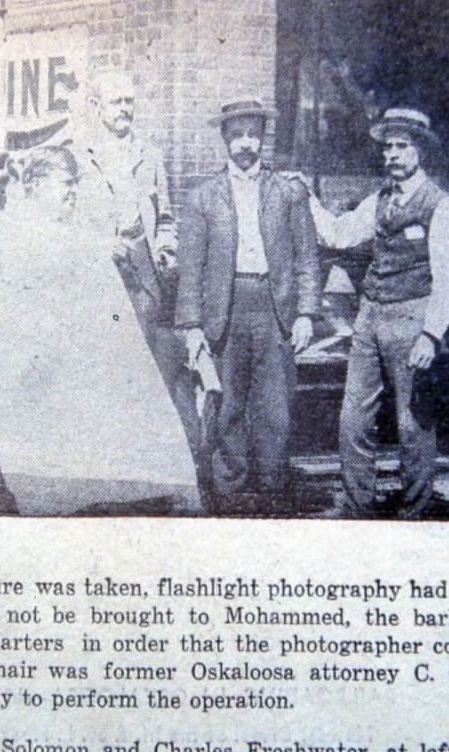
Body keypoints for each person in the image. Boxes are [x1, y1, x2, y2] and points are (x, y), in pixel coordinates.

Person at [0, 146, 201, 515]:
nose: (73, 193)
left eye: (76, 184)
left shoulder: (76, 239)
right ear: (35, 185)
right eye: (66, 183)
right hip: (19, 382)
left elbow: (108, 322)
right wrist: (11, 353)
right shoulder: (1, 237)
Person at [304, 107, 449, 518]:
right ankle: (358, 504)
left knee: (413, 423)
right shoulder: (379, 200)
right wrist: (306, 196)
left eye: (402, 146)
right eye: (388, 146)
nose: (392, 154)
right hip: (370, 316)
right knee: (353, 417)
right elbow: (338, 235)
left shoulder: (441, 205)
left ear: (420, 151)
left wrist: (431, 334)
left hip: (413, 318)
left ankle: (415, 507)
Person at [175, 99, 322, 515]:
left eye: (253, 134)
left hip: (274, 310)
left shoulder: (288, 192)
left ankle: (274, 490)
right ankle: (231, 492)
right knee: (229, 404)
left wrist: (307, 313)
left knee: (275, 406)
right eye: (237, 134)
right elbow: (192, 270)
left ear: (263, 138)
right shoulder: (203, 198)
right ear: (225, 139)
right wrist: (192, 327)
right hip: (225, 309)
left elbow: (308, 257)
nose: (245, 143)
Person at [76, 71, 200, 462]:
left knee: (142, 364)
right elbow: (66, 222)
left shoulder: (149, 155)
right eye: (116, 102)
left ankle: (134, 456)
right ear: (96, 107)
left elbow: (165, 215)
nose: (125, 109)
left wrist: (165, 248)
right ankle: (98, 455)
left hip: (143, 272)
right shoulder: (80, 156)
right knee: (99, 363)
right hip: (97, 274)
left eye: (129, 101)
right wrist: (97, 245)